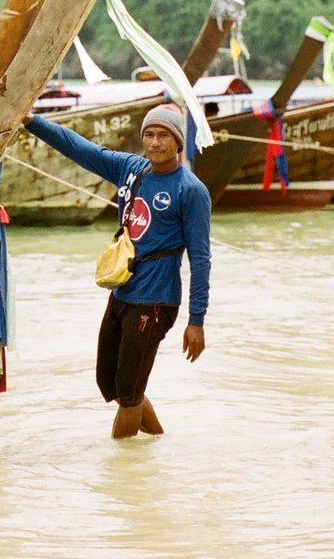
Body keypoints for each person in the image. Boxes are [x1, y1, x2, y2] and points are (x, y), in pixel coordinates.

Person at [26, 102, 211, 439]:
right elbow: (79, 148)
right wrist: (30, 121)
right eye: (150, 135)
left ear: (178, 142)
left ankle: (120, 478)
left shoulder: (191, 191)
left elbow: (200, 259)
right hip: (122, 290)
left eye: (164, 136)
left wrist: (196, 321)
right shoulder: (131, 169)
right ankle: (158, 443)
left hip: (155, 302)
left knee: (128, 395)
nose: (155, 143)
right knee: (109, 382)